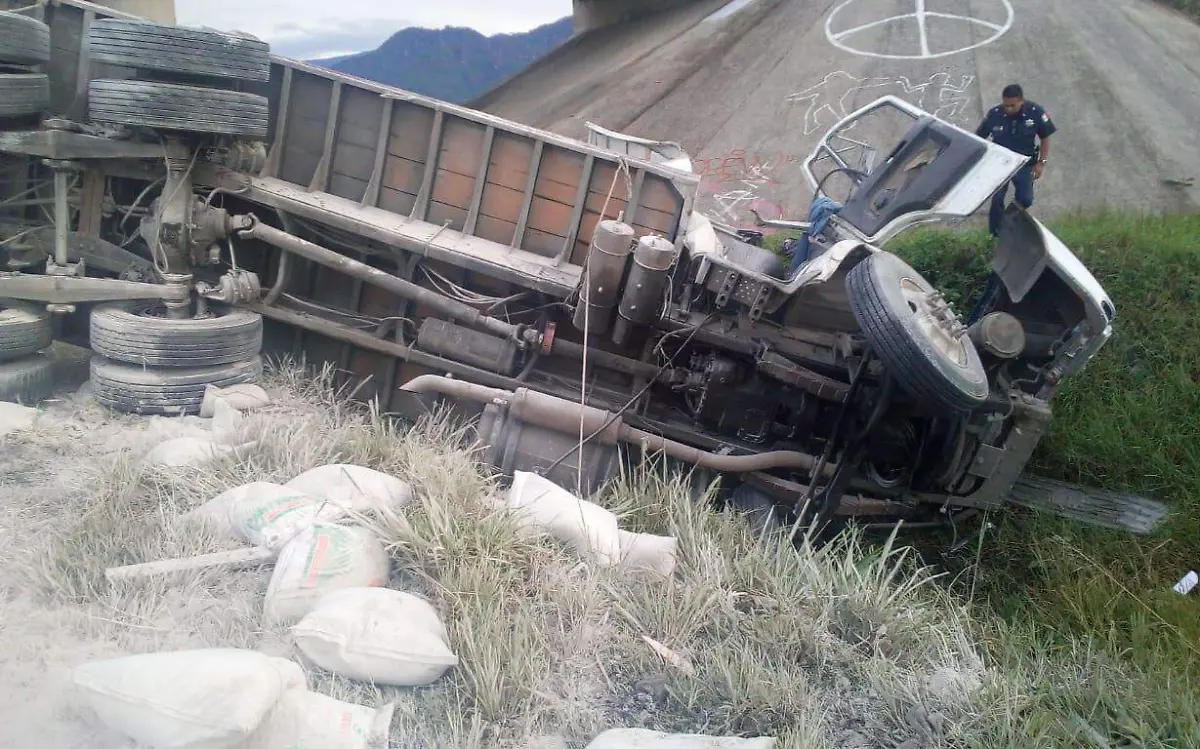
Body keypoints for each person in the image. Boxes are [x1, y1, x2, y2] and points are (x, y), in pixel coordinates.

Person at [975, 84, 1056, 237]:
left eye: (1013, 105)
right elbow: (979, 137)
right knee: (997, 197)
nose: (1009, 109)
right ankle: (995, 233)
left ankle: (1008, 219)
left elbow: (1045, 137)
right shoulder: (995, 114)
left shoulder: (1035, 112)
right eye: (1006, 105)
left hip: (1024, 163)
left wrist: (1041, 163)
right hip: (1000, 162)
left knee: (1026, 199)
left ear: (1021, 101)